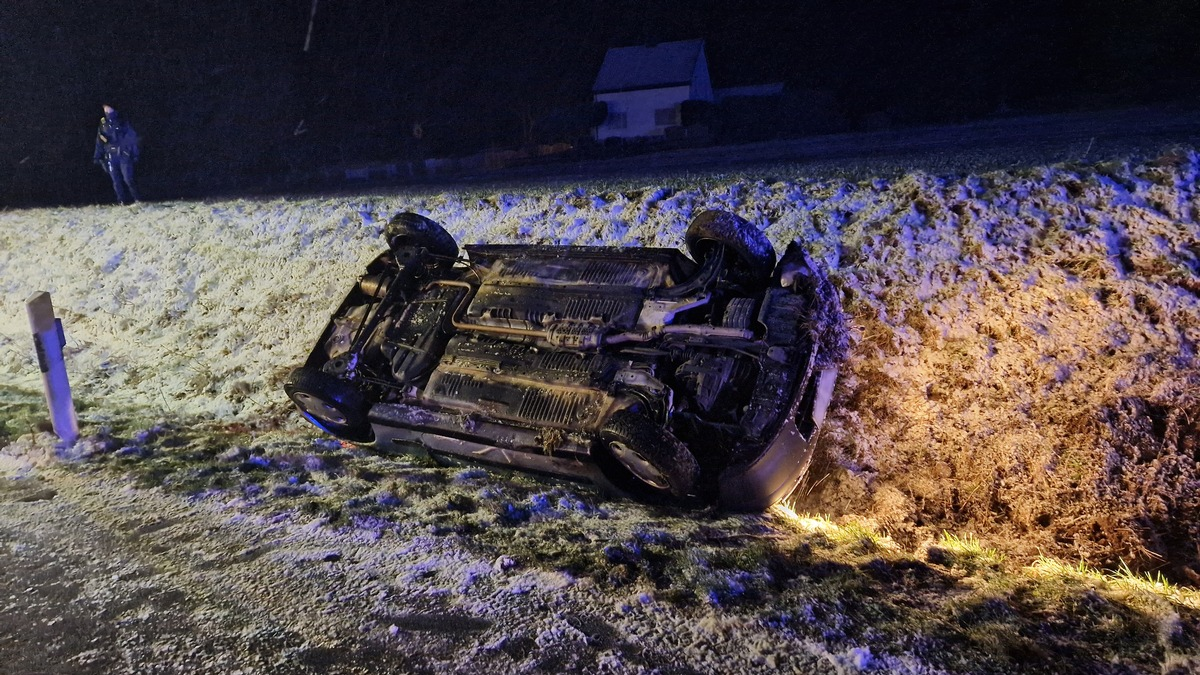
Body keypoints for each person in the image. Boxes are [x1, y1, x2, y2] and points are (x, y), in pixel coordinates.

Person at [93, 105, 139, 204]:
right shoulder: (103, 123)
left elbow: (132, 138)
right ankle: (121, 201)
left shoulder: (122, 121)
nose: (106, 111)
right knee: (116, 181)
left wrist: (134, 153)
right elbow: (99, 140)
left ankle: (137, 199)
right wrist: (97, 155)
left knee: (128, 179)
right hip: (110, 155)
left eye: (108, 108)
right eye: (105, 109)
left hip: (123, 155)